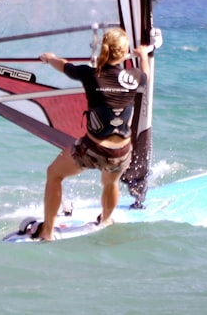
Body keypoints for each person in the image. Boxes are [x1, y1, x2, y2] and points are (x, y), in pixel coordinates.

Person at [32, 27, 153, 241]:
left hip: (92, 149)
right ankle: (106, 219)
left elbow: (65, 67)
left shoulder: (90, 74)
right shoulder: (133, 77)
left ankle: (47, 232)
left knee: (54, 174)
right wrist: (143, 54)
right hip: (121, 152)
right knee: (111, 182)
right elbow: (146, 74)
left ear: (104, 49)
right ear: (124, 53)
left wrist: (50, 58)